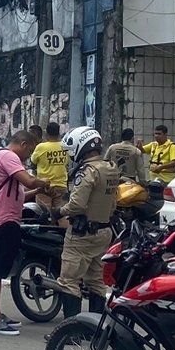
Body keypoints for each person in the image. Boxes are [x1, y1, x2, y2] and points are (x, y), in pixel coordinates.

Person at [0, 130, 50, 335]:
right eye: (30, 150)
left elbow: (21, 192)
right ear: (23, 144)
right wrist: (44, 182)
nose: (29, 156)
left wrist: (37, 192)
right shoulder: (8, 156)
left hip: (6, 220)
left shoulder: (3, 158)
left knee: (1, 267)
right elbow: (28, 180)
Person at [50, 126, 120, 325]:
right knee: (96, 281)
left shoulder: (87, 171)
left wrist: (59, 212)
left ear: (82, 146)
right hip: (104, 231)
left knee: (69, 281)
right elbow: (113, 203)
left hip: (82, 234)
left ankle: (70, 329)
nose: (72, 155)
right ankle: (95, 327)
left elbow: (77, 205)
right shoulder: (110, 168)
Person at [30, 122, 69, 206]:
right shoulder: (65, 146)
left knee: (43, 214)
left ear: (47, 133)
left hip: (44, 186)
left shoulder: (41, 147)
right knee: (61, 215)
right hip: (61, 185)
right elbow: (66, 163)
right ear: (58, 133)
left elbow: (33, 162)